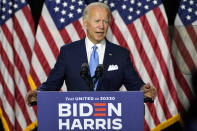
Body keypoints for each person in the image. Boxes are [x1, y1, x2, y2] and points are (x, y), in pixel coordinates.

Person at [26, 2, 157, 106]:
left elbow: (135, 85)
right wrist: (40, 93)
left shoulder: (120, 54)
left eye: (105, 21)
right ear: (85, 23)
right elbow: (52, 84)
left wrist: (143, 91)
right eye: (97, 21)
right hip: (76, 119)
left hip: (110, 119)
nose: (101, 26)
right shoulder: (68, 52)